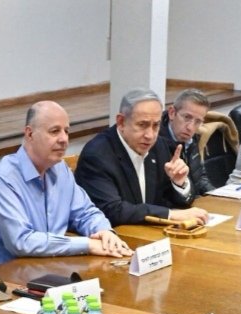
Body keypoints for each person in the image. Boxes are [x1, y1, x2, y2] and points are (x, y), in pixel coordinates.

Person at [0, 101, 132, 268]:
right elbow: (22, 241)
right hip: (6, 280)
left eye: (66, 131)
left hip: (52, 269)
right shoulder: (4, 179)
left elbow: (86, 213)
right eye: (54, 131)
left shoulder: (60, 170)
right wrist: (87, 244)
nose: (64, 139)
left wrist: (104, 232)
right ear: (29, 134)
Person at [74, 89, 210, 228]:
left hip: (152, 236)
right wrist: (170, 214)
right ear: (121, 122)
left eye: (156, 125)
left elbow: (176, 201)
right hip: (116, 238)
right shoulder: (98, 154)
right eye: (142, 125)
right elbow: (112, 210)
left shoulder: (159, 146)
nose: (150, 135)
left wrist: (180, 183)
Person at [154, 87, 215, 195]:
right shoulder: (155, 142)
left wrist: (217, 196)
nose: (190, 127)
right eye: (187, 117)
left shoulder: (193, 139)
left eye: (198, 121)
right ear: (172, 113)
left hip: (191, 202)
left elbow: (200, 178)